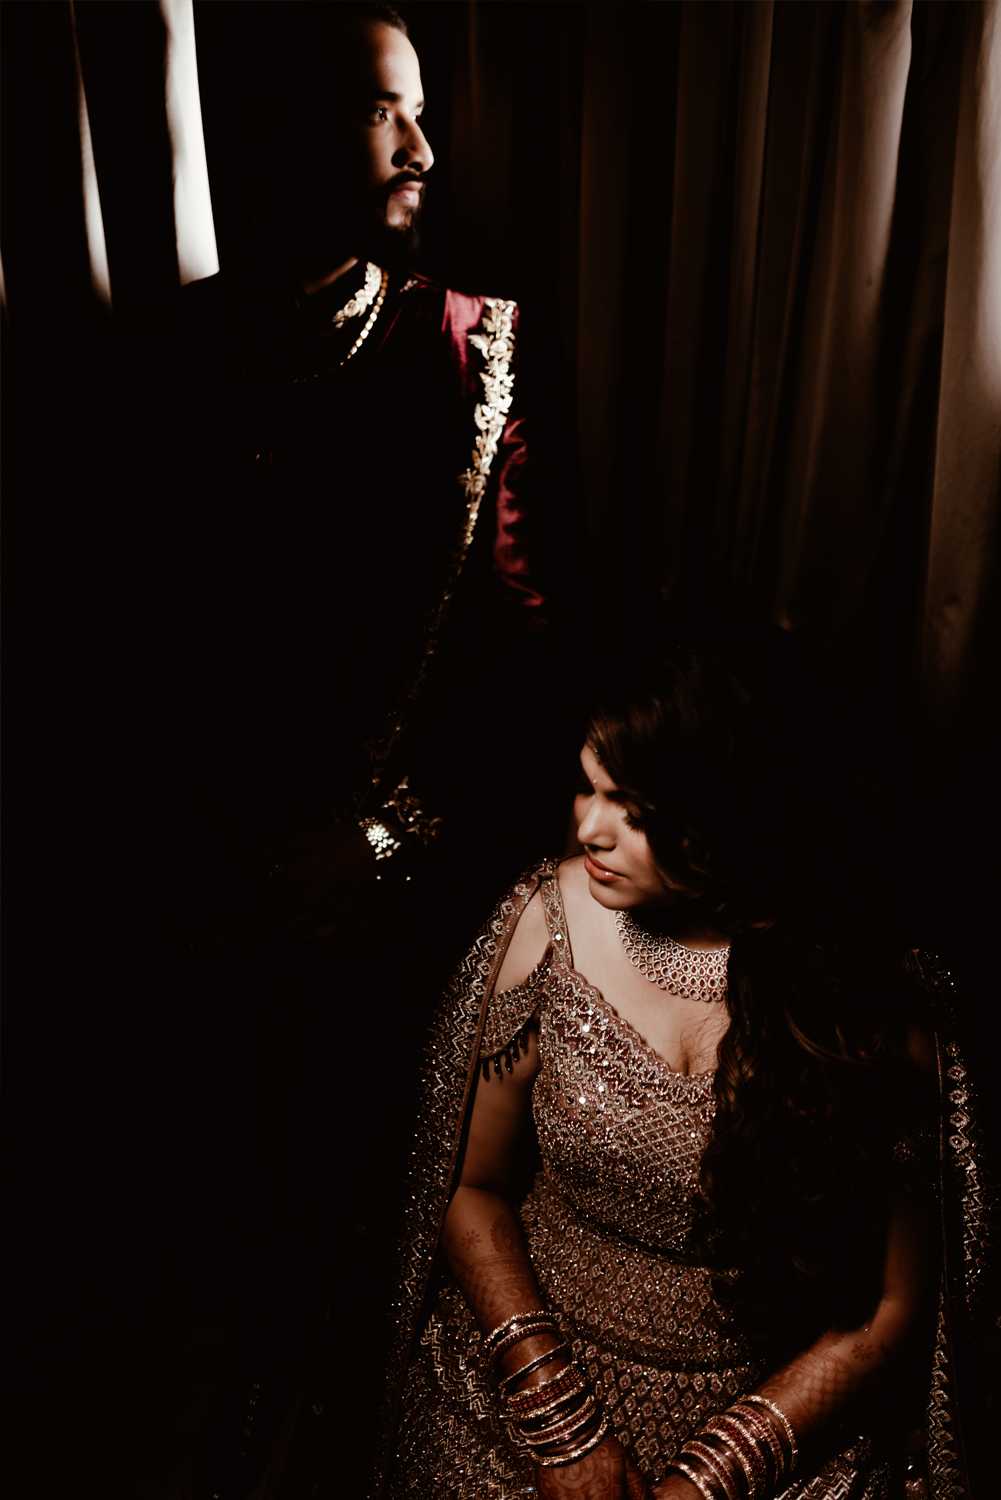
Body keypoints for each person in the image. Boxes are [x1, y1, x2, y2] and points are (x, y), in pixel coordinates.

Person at [373, 635, 993, 1498]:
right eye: (587, 788)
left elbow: (886, 1311)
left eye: (632, 810)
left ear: (728, 812)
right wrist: (561, 1427)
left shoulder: (860, 1001)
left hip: (775, 1421)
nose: (589, 828)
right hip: (525, 1379)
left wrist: (706, 1481)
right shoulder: (548, 925)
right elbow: (469, 1187)